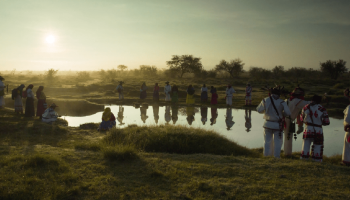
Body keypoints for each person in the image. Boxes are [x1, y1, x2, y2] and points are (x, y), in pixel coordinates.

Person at [256, 86, 291, 158]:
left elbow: (259, 110)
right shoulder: (282, 102)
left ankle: (266, 156)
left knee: (267, 141)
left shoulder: (265, 100)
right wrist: (282, 114)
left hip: (267, 123)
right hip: (277, 124)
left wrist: (265, 112)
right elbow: (288, 113)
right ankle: (276, 157)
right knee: (278, 142)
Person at [299, 95, 330, 162]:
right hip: (318, 129)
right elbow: (327, 122)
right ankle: (317, 160)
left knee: (306, 145)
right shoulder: (322, 108)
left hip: (308, 128)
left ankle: (304, 159)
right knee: (318, 146)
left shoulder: (306, 107)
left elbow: (301, 119)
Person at [283, 86, 311, 156]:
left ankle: (284, 152)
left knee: (283, 137)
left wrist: (299, 124)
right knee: (288, 137)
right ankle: (287, 154)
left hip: (284, 119)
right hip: (288, 120)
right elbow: (308, 103)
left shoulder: (287, 100)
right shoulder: (297, 101)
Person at [342, 88, 350, 166]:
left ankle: (347, 161)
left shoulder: (349, 107)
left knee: (348, 145)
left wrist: (346, 125)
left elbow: (347, 119)